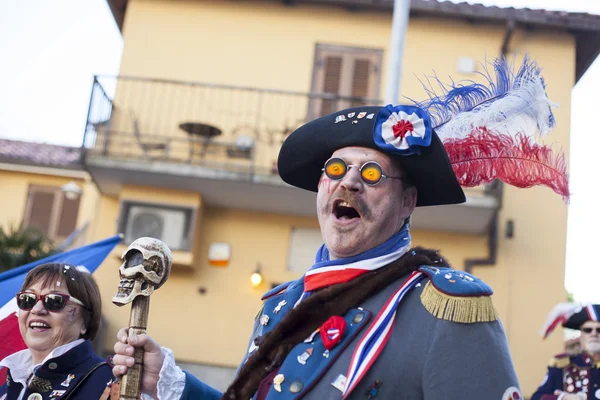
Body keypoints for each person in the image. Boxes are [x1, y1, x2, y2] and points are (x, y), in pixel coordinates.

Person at [112, 58, 566, 399]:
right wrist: (170, 381)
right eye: (336, 169)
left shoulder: (449, 307)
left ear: (408, 201)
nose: (348, 181)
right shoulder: (281, 304)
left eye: (371, 174)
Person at [0, 263, 114, 400]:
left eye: (54, 300)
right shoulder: (12, 380)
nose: (36, 309)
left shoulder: (108, 382)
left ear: (85, 320)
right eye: (28, 299)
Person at [532, 304, 600, 400]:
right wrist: (563, 398)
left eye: (599, 330)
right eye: (587, 330)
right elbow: (537, 397)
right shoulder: (563, 365)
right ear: (580, 336)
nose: (594, 334)